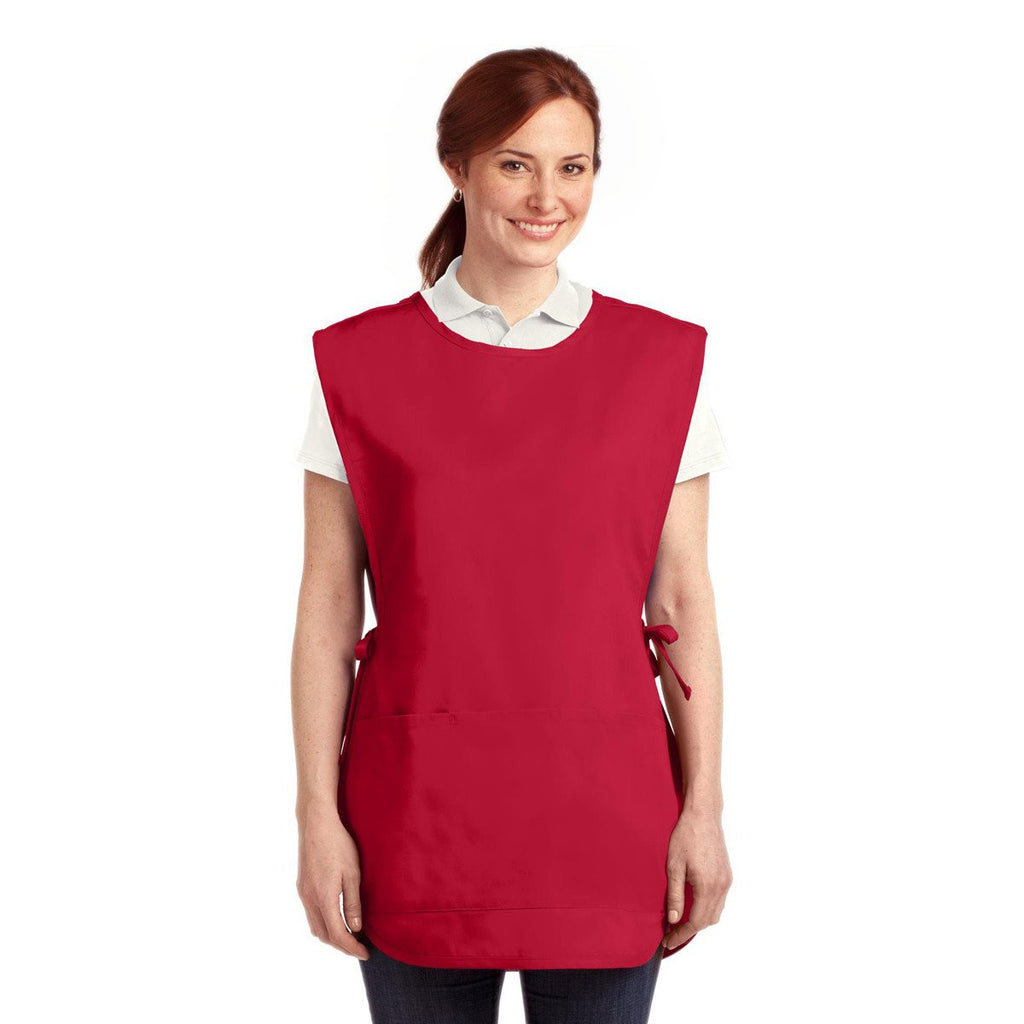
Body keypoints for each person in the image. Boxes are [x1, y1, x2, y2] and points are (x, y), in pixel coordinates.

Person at [292, 46, 733, 1023]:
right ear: (457, 168)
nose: (546, 198)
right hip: (416, 814)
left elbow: (683, 601)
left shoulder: (663, 364)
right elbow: (326, 611)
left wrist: (703, 808)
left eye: (572, 167)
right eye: (514, 164)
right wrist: (316, 818)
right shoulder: (358, 365)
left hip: (607, 815)